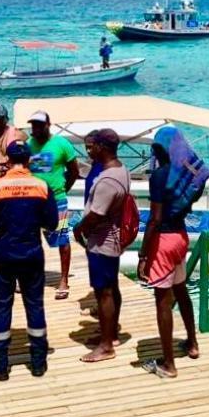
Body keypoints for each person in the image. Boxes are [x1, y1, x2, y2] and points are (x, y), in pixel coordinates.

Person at [0, 142, 60, 381]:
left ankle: (0, 364)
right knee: (35, 305)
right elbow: (52, 223)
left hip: (4, 254)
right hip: (32, 253)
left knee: (2, 306)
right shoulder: (42, 186)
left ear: (8, 159)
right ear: (30, 159)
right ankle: (38, 362)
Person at [138, 126, 209, 378]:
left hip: (164, 240)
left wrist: (143, 255)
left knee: (162, 301)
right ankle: (192, 343)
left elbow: (155, 219)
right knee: (181, 291)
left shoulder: (159, 177)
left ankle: (168, 364)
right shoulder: (185, 175)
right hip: (181, 237)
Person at [73, 128, 128, 363]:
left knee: (103, 292)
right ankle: (111, 332)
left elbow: (96, 213)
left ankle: (106, 346)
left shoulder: (107, 180)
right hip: (112, 238)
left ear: (103, 147)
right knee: (112, 286)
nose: (90, 149)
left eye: (93, 146)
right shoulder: (121, 169)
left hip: (102, 241)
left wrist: (79, 229)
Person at [26, 110, 79, 299]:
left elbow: (74, 170)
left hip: (57, 201)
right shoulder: (28, 145)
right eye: (33, 125)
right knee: (30, 240)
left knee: (62, 239)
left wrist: (63, 189)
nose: (36, 128)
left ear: (48, 125)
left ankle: (64, 279)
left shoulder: (61, 144)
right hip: (33, 202)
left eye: (39, 125)